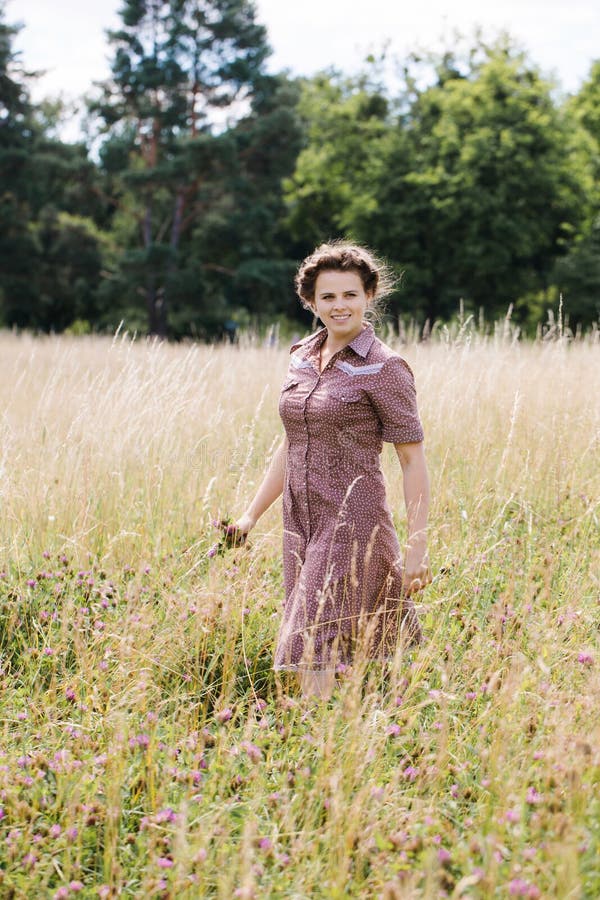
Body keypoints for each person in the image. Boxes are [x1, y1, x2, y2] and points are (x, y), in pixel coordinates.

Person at [233, 241, 431, 700]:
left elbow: (411, 459)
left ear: (368, 296)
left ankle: (312, 745)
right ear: (311, 302)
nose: (339, 306)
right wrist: (250, 515)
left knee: (310, 640)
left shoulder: (385, 367)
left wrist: (417, 546)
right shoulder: (301, 357)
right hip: (299, 523)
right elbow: (290, 444)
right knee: (335, 639)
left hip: (351, 522)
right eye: (328, 297)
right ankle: (345, 740)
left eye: (350, 295)